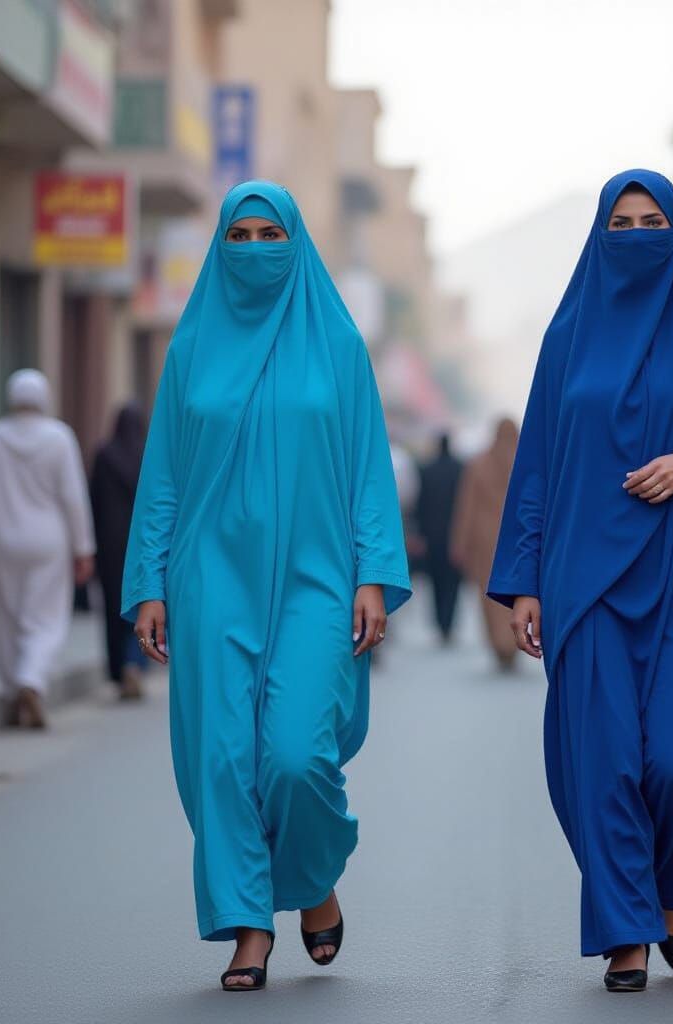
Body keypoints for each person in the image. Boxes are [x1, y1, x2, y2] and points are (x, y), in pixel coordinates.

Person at [488, 171, 673, 992]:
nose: (640, 235)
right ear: (599, 235)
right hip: (584, 582)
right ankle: (626, 931)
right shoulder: (568, 337)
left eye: (655, 221)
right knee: (606, 763)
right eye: (623, 223)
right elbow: (537, 467)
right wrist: (524, 580)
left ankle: (671, 888)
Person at [121, 181, 410, 992]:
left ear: (297, 243)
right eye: (238, 236)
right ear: (220, 247)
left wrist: (374, 573)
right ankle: (249, 926)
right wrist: (149, 583)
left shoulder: (338, 344)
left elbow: (368, 468)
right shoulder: (191, 348)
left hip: (316, 578)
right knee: (221, 758)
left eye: (269, 235)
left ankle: (312, 880)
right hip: (210, 576)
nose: (253, 250)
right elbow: (164, 478)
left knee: (295, 755)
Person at [0, 369, 95, 729]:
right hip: (49, 541)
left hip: (3, 540)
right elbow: (73, 497)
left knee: (5, 618)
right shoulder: (59, 437)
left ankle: (14, 686)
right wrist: (83, 548)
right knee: (45, 618)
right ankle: (31, 679)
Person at [90, 403, 149, 699]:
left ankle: (120, 668)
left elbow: (93, 501)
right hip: (141, 543)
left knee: (114, 609)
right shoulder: (147, 455)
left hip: (110, 543)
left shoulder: (104, 455)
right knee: (142, 604)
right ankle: (135, 663)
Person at [451, 418, 520, 670]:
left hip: (485, 542)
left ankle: (499, 644)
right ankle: (512, 643)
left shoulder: (478, 464)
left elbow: (466, 507)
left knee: (489, 596)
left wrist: (459, 543)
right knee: (516, 594)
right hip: (517, 541)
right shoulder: (525, 463)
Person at [415, 433, 464, 643]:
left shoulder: (427, 470)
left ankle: (440, 623)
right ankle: (448, 622)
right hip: (455, 535)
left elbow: (420, 504)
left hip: (432, 536)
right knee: (452, 583)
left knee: (436, 582)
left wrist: (420, 533)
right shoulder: (460, 469)